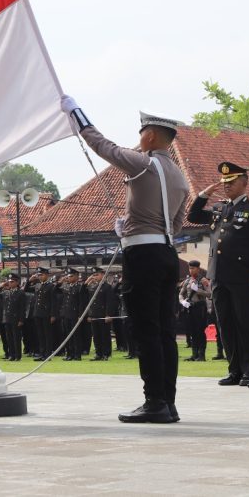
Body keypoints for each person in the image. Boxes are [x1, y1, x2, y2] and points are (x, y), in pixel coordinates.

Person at [62, 98, 188, 423]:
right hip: (166, 252)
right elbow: (175, 226)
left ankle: (154, 402)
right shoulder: (179, 176)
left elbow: (103, 146)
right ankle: (167, 402)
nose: (139, 137)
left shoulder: (144, 163)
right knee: (163, 332)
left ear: (150, 136)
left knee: (145, 330)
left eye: (142, 132)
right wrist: (132, 228)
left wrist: (77, 115)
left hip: (143, 256)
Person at [187, 162, 249, 386]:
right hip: (218, 275)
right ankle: (234, 370)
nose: (226, 186)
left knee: (245, 323)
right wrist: (204, 194)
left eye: (231, 182)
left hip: (243, 276)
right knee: (225, 324)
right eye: (224, 182)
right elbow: (192, 216)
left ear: (244, 182)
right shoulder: (218, 208)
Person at [178, 261, 209, 362]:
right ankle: (194, 354)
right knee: (192, 331)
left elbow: (210, 294)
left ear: (198, 269)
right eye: (190, 268)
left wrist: (198, 290)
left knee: (200, 331)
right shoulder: (187, 281)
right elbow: (181, 294)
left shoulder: (203, 280)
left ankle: (201, 355)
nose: (191, 270)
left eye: (193, 268)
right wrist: (182, 301)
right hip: (190, 308)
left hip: (200, 308)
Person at [32, 267, 57, 361]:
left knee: (47, 335)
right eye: (38, 275)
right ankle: (42, 353)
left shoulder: (51, 286)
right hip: (38, 313)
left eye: (41, 275)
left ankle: (48, 354)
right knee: (40, 334)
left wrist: (53, 314)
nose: (40, 277)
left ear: (47, 275)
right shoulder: (38, 285)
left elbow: (53, 302)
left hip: (47, 313)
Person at [0, 274, 26, 361]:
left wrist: (21, 320)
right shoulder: (7, 292)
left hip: (16, 318)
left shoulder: (20, 293)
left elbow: (23, 307)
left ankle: (17, 355)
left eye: (12, 282)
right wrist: (1, 286)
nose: (10, 283)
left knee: (16, 338)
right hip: (8, 318)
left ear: (17, 282)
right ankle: (11, 355)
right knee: (9, 338)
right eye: (9, 282)